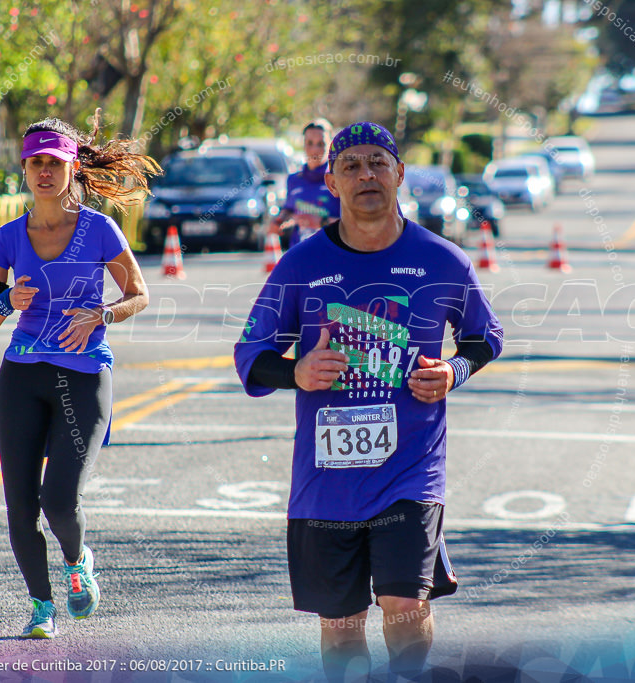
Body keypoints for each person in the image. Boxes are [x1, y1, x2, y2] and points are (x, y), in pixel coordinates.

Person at [234, 122, 503, 682]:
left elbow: (484, 337)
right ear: (330, 181)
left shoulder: (443, 260)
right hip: (325, 480)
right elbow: (250, 354)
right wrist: (298, 371)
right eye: (350, 165)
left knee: (404, 607)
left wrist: (452, 370)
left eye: (378, 162)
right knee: (341, 624)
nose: (366, 175)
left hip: (411, 470)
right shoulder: (301, 265)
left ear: (400, 174)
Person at [0, 114, 158, 639]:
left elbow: (139, 293)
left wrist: (104, 314)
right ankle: (40, 606)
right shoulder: (8, 238)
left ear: (72, 167)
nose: (45, 171)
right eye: (36, 162)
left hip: (83, 375)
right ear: (24, 170)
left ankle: (78, 562)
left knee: (59, 498)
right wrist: (7, 300)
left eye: (55, 161)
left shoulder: (99, 229)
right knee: (20, 504)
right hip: (21, 378)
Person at [270, 118, 341, 248]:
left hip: (330, 252)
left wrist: (321, 222)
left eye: (321, 144)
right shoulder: (294, 180)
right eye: (309, 143)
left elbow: (352, 224)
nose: (314, 149)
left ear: (330, 146)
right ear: (303, 144)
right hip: (300, 250)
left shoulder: (339, 180)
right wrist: (279, 220)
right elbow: (289, 210)